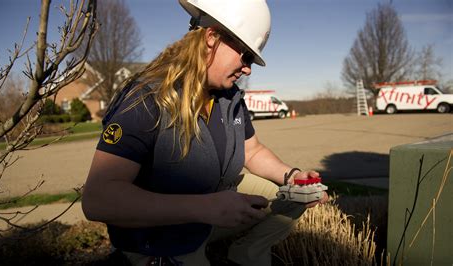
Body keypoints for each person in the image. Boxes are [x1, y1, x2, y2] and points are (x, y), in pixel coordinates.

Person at [82, 0, 328, 265]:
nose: (248, 68)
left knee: (289, 199)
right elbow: (98, 199)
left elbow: (252, 149)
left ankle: (246, 256)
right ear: (212, 38)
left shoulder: (228, 96)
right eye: (246, 56)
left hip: (210, 206)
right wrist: (206, 207)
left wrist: (292, 177)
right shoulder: (147, 98)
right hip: (160, 238)